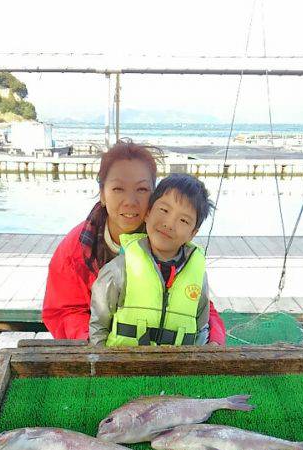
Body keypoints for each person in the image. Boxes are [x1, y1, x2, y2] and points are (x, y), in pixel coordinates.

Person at [42, 140, 225, 344]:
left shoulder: (167, 240)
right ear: (102, 194)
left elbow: (197, 301)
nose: (130, 201)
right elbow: (63, 310)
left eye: (142, 189)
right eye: (118, 188)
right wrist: (94, 343)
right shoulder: (76, 249)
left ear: (154, 195)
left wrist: (214, 341)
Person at [89, 173, 215, 347]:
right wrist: (102, 359)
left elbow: (201, 328)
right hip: (123, 363)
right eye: (164, 210)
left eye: (183, 220)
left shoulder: (198, 276)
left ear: (193, 233)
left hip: (178, 364)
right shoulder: (119, 269)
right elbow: (98, 325)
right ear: (148, 213)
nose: (169, 224)